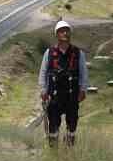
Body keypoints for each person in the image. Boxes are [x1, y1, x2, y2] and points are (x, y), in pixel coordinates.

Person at [38, 20, 88, 149]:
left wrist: (83, 89)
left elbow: (83, 72)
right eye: (61, 31)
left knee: (72, 124)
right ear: (57, 34)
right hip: (54, 96)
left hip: (72, 96)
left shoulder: (78, 53)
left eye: (67, 30)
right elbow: (43, 72)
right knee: (53, 125)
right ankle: (53, 152)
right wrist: (43, 90)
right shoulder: (49, 53)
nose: (65, 33)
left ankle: (69, 150)